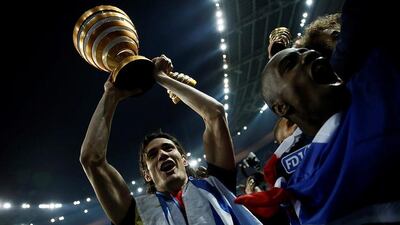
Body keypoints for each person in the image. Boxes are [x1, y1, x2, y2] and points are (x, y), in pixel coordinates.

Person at [258, 0, 400, 223]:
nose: (309, 56)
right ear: (281, 108)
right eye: (291, 64)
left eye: (309, 53)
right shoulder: (298, 188)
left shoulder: (376, 81)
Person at [80, 55, 262, 225]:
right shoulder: (137, 213)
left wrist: (160, 77)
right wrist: (111, 95)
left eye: (168, 148)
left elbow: (215, 114)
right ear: (147, 174)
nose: (162, 154)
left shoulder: (216, 184)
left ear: (183, 159)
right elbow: (91, 160)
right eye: (152, 155)